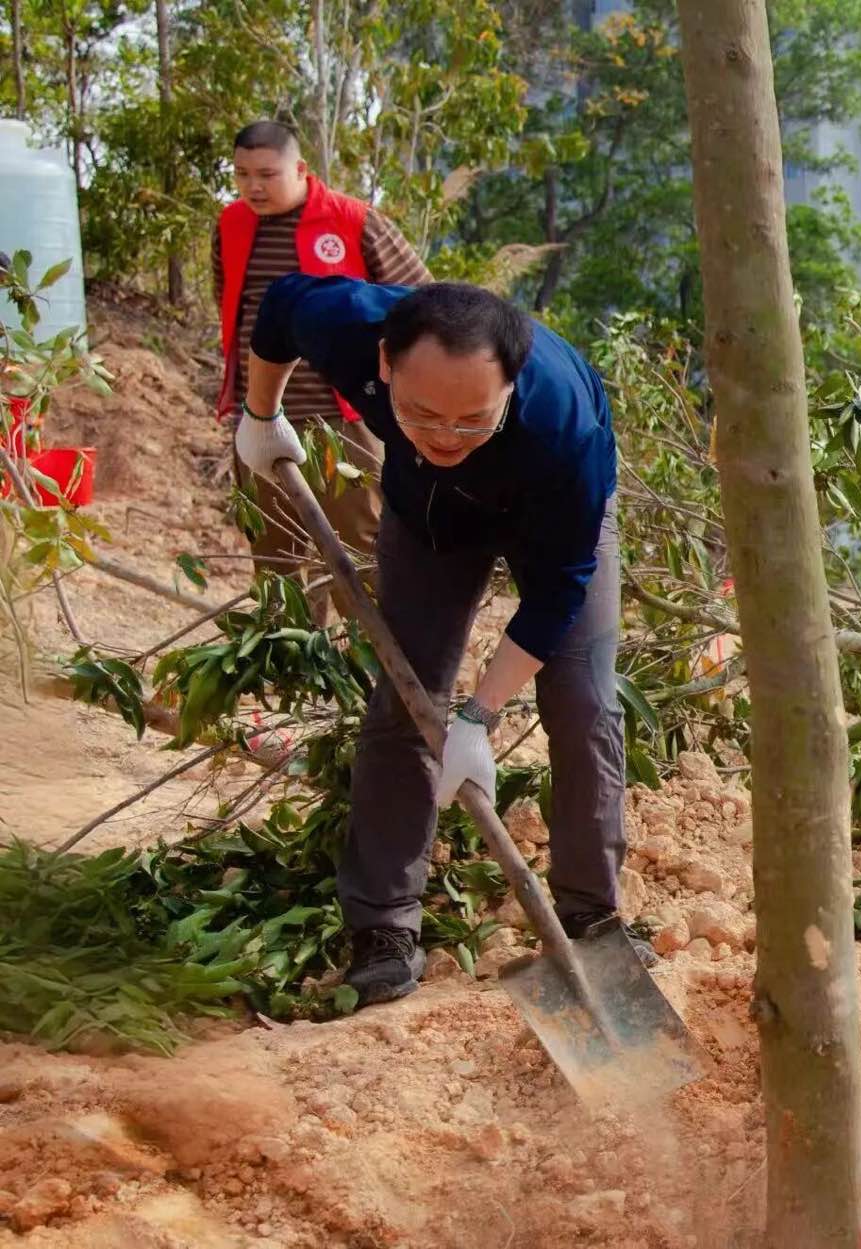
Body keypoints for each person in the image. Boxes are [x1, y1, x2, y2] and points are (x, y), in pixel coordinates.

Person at [235, 275, 639, 1005]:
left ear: (512, 387)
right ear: (383, 364)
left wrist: (477, 719)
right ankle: (384, 930)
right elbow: (280, 305)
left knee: (583, 698)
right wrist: (259, 415)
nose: (446, 435)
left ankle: (591, 914)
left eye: (471, 420)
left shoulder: (564, 430)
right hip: (429, 516)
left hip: (547, 518)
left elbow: (556, 595)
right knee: (407, 699)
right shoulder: (351, 326)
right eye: (421, 414)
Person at [214, 120, 431, 616]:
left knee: (360, 553)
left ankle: (380, 679)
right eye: (243, 174)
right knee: (275, 558)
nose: (254, 186)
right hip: (261, 419)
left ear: (301, 169)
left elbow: (424, 305)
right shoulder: (230, 226)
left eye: (267, 174)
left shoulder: (354, 221)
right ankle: (296, 676)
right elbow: (233, 308)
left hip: (345, 422)